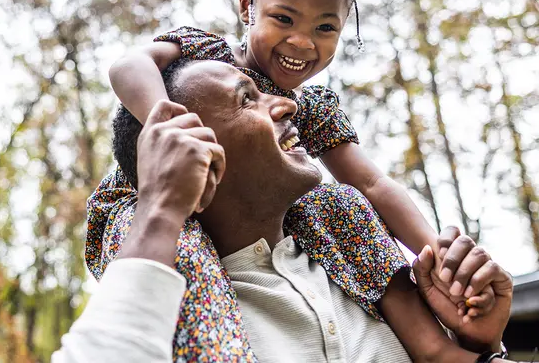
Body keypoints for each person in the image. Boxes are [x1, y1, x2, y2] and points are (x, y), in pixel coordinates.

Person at [86, 0, 497, 359]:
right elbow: (129, 65)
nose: (302, 42)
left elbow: (371, 182)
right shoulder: (207, 57)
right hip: (156, 193)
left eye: (325, 27)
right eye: (284, 19)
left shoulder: (312, 109)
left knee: (342, 204)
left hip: (278, 215)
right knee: (182, 246)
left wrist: (437, 254)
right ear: (247, 6)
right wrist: (167, 127)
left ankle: (432, 347)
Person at [62, 60, 515, 362]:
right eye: (246, 99)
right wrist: (160, 207)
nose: (288, 103)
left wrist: (481, 341)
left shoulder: (352, 255)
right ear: (188, 151)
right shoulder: (179, 318)